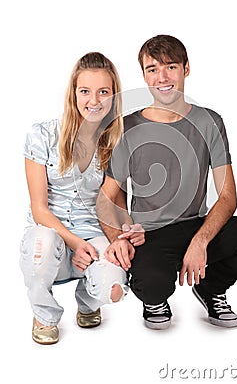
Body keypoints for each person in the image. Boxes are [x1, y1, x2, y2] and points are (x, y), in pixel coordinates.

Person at [96, 34, 237, 330]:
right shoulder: (127, 128)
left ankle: (211, 287)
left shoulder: (210, 121)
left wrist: (200, 242)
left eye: (170, 67)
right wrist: (117, 238)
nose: (162, 77)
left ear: (186, 69)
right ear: (144, 75)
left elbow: (227, 197)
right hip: (151, 234)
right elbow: (107, 197)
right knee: (152, 284)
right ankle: (156, 297)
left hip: (198, 224)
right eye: (152, 69)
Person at [20, 52, 145, 344]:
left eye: (104, 91)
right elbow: (39, 208)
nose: (94, 100)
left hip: (95, 229)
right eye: (85, 91)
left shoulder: (117, 143)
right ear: (73, 93)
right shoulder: (42, 134)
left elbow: (118, 205)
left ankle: (88, 300)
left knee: (113, 289)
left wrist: (127, 232)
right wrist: (75, 244)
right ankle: (45, 314)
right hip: (49, 229)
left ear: (114, 96)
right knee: (41, 247)